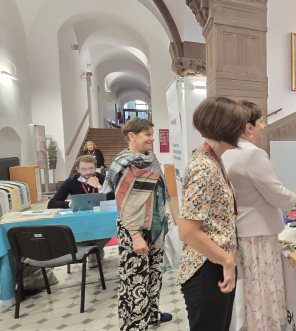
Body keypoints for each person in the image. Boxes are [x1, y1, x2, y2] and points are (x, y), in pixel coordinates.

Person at [222, 101, 296, 331]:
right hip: (259, 236)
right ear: (248, 127)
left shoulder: (228, 151)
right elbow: (276, 194)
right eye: (261, 121)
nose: (264, 126)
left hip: (243, 232)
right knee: (263, 295)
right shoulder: (252, 153)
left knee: (250, 295)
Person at [177, 96, 249, 331]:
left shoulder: (213, 159)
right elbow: (187, 232)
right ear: (226, 127)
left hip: (215, 261)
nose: (242, 130)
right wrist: (227, 260)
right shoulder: (204, 166)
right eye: (239, 125)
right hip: (207, 265)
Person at [101, 117, 173, 330]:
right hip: (135, 229)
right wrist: (135, 234)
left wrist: (162, 213)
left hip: (154, 226)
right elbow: (126, 204)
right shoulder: (126, 163)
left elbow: (157, 189)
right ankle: (134, 324)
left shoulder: (149, 157)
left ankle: (151, 315)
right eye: (147, 135)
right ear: (132, 136)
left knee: (153, 274)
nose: (152, 139)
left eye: (152, 134)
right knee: (135, 280)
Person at [47, 155, 114, 268]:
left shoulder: (104, 179)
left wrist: (98, 186)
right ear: (77, 169)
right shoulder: (70, 182)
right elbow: (52, 203)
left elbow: (115, 199)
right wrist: (70, 204)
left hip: (101, 216)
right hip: (80, 218)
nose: (88, 172)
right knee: (76, 234)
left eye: (91, 168)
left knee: (109, 229)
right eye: (84, 169)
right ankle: (93, 252)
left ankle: (96, 250)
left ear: (95, 168)